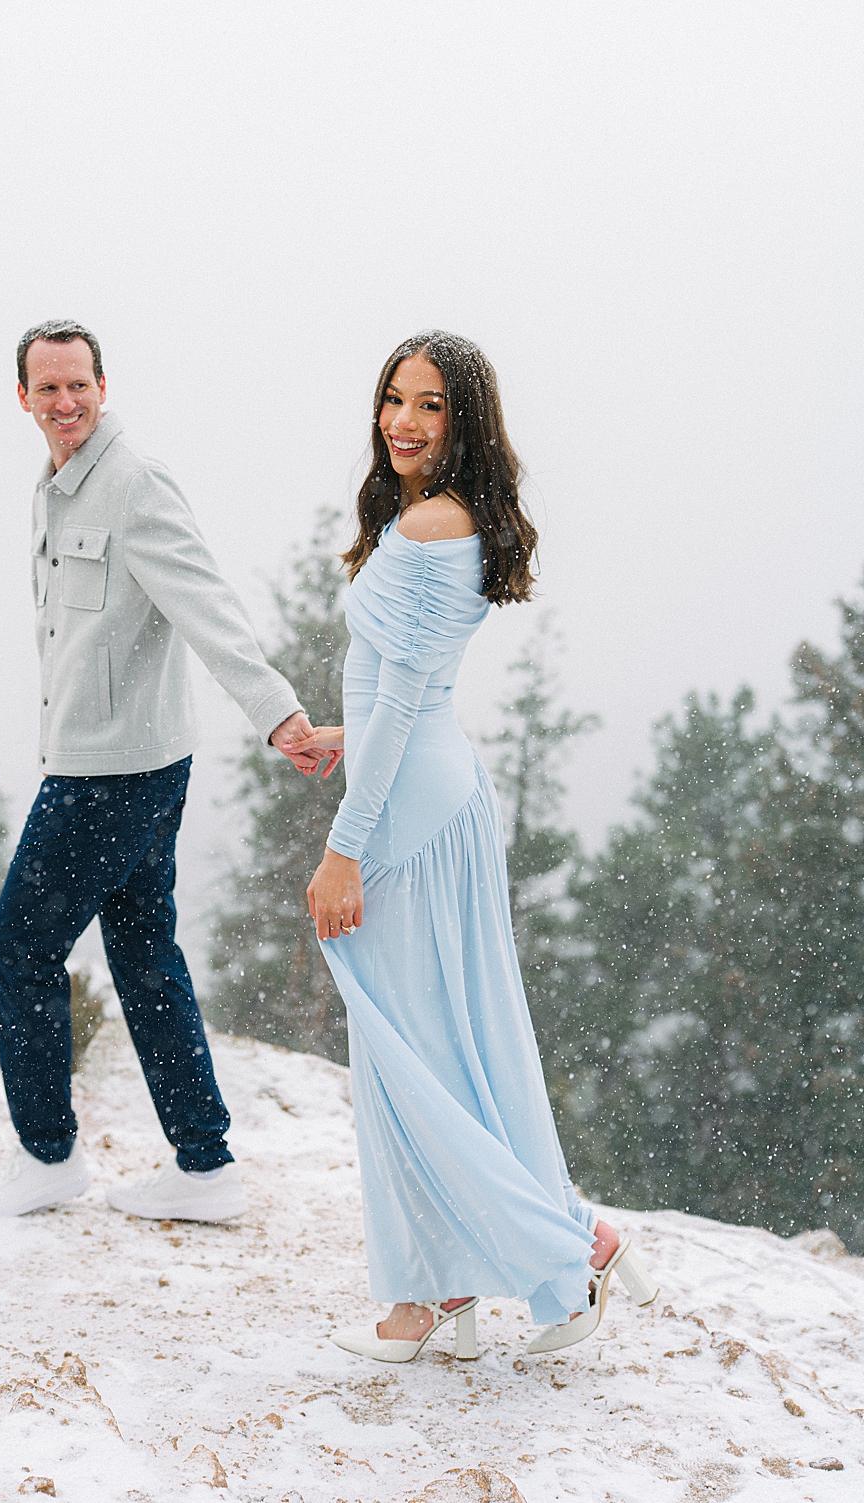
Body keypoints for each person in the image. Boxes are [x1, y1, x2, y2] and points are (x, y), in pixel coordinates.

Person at [291, 331, 658, 1362]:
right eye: (394, 400)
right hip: (419, 786)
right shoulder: (437, 518)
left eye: (432, 407)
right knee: (445, 1056)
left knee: (415, 1066)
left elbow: (408, 697)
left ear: (466, 422)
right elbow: (403, 694)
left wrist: (343, 849)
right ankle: (452, 1283)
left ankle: (557, 1252)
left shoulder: (435, 523)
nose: (404, 422)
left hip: (405, 813)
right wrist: (347, 734)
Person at [0, 320, 326, 1225]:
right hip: (129, 760)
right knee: (145, 954)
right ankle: (205, 1165)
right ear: (24, 398)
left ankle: (46, 1158)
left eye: (79, 385)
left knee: (19, 946)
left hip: (111, 772)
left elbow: (207, 604)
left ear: (104, 387)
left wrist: (278, 714)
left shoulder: (132, 484)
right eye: (48, 389)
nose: (65, 403)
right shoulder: (54, 488)